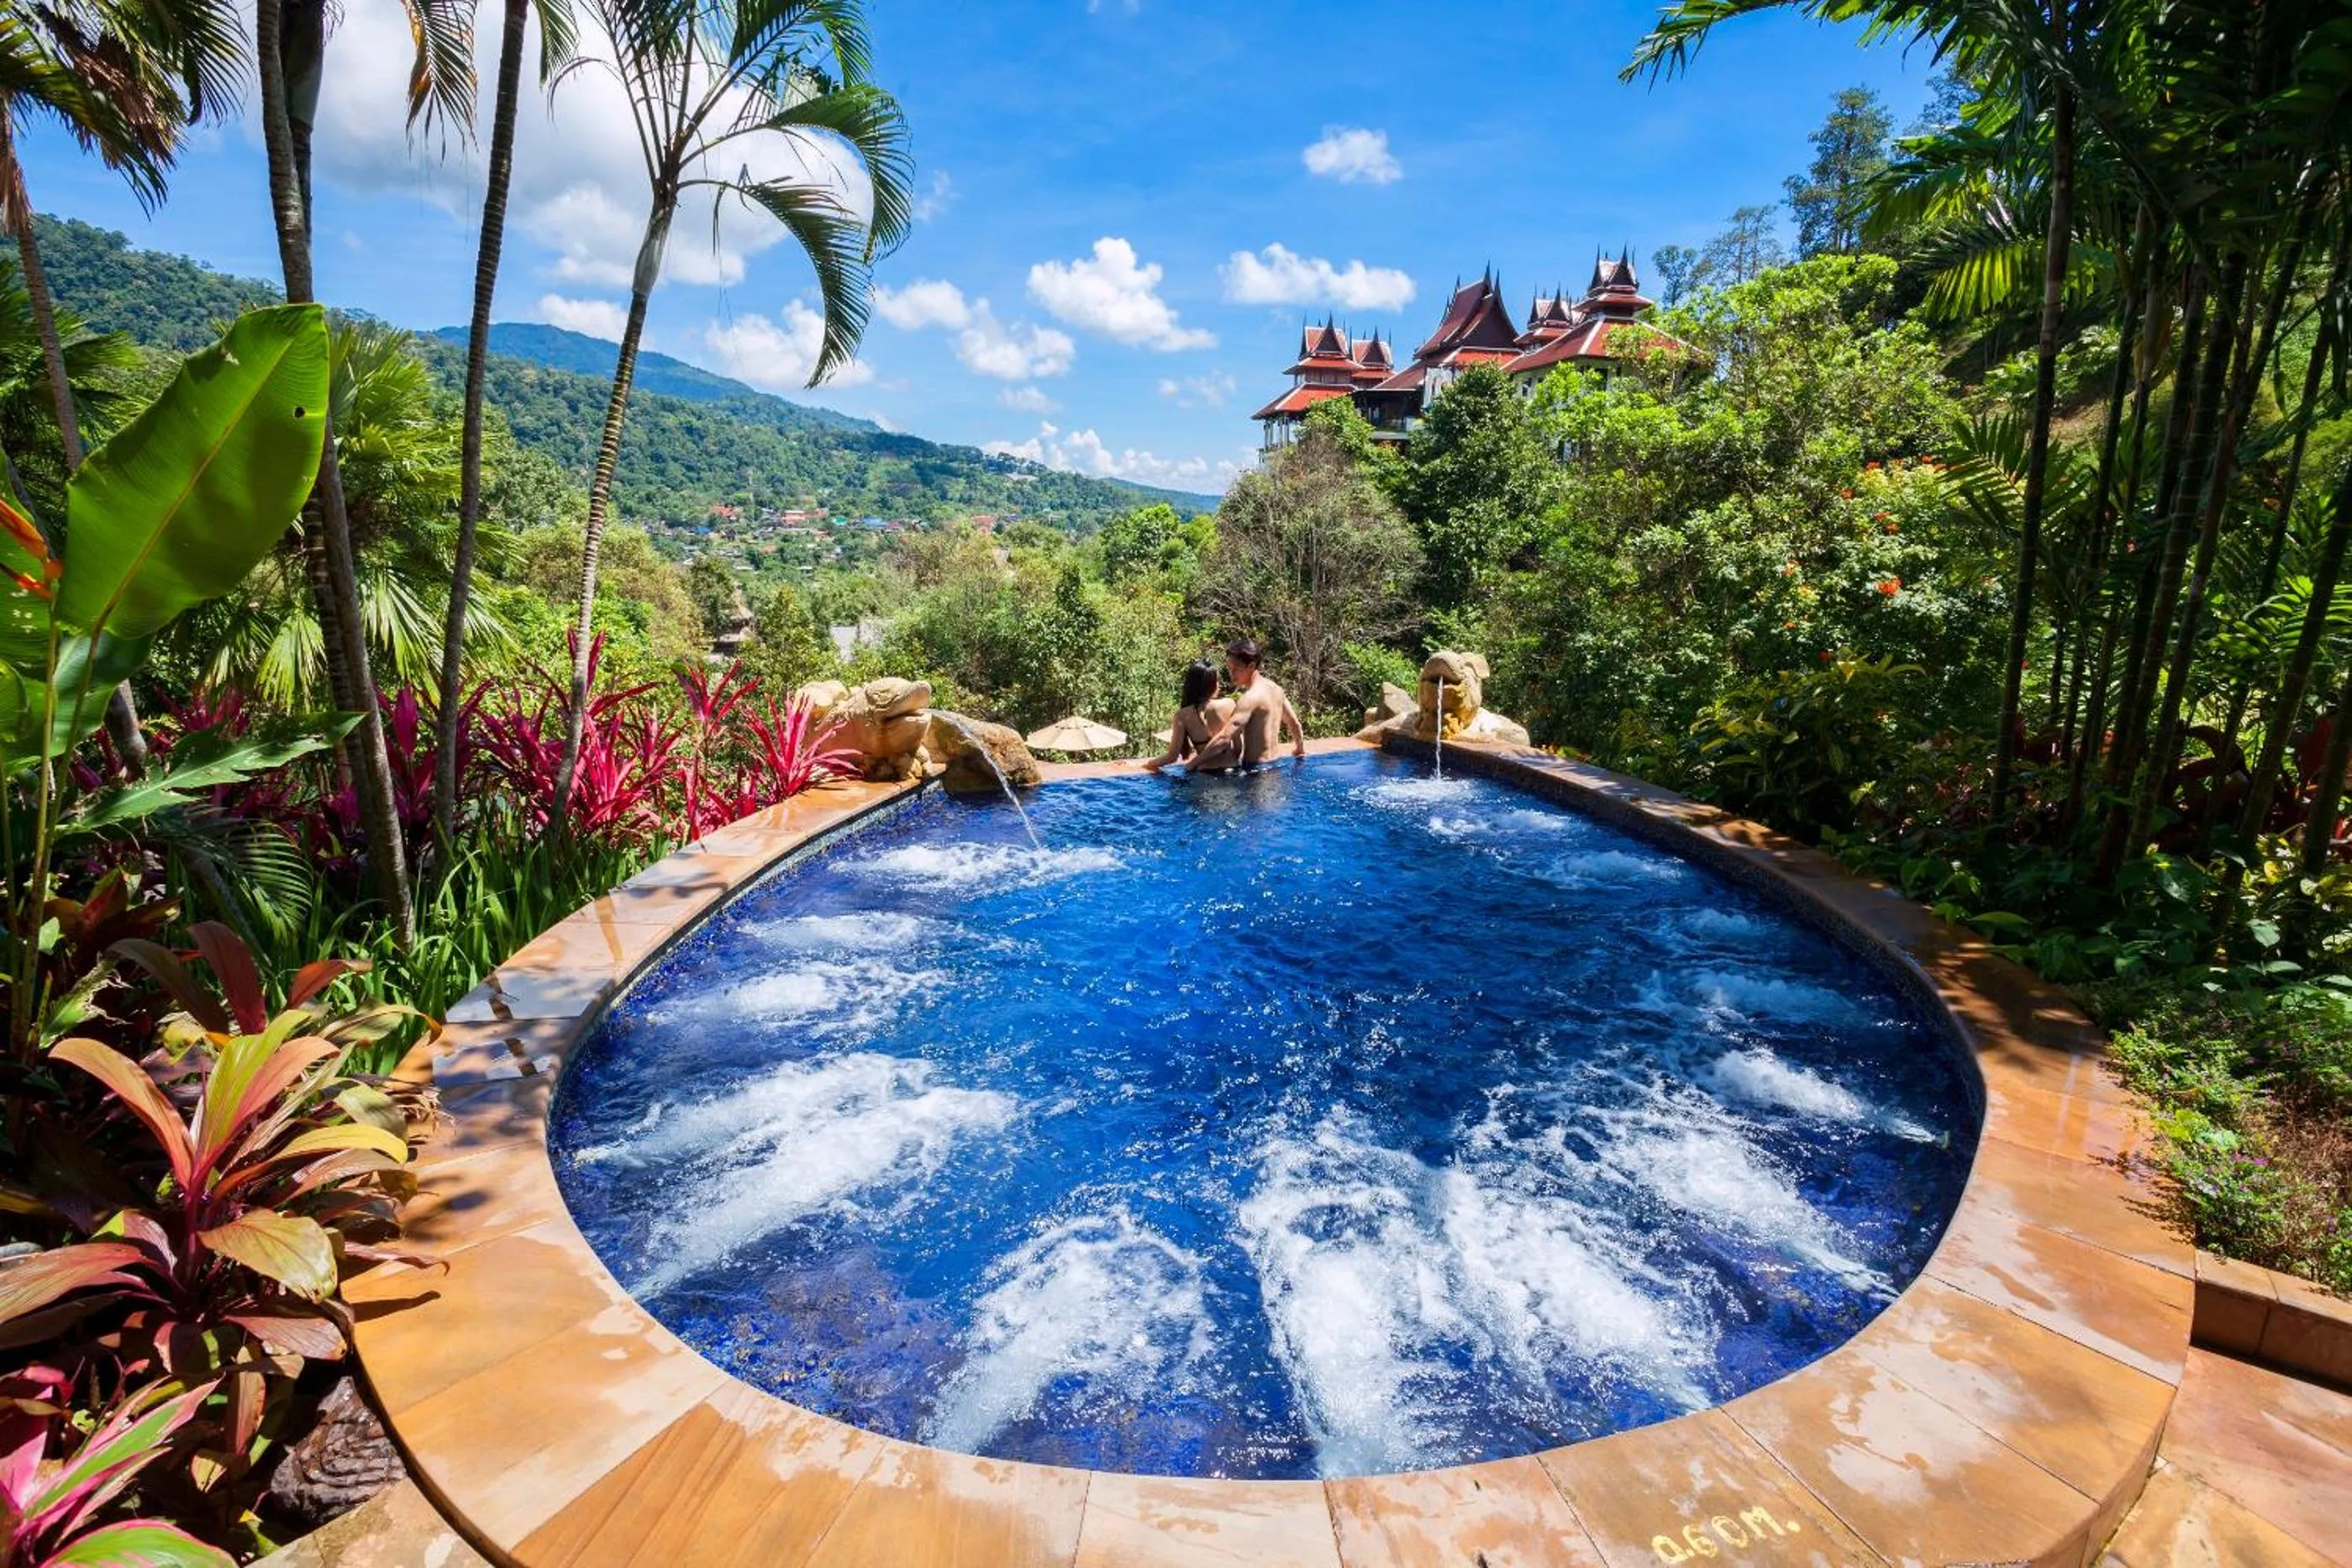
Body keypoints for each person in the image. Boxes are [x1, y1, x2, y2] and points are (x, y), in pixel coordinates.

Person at [1191, 637, 1306, 769]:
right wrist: (1299, 748)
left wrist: (1193, 764)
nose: (1231, 674)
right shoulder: (1276, 690)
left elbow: (1224, 738)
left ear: (1251, 666)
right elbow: (1294, 723)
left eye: (1236, 669)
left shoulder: (1249, 698)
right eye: (1229, 668)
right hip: (1275, 766)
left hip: (1256, 772)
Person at [1143, 660, 1234, 773]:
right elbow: (1238, 747)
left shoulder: (1182, 715)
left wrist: (1148, 765)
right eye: (1217, 681)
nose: (1219, 684)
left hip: (1206, 775)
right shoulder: (1229, 704)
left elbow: (1172, 757)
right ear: (1212, 684)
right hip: (1233, 771)